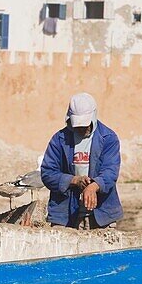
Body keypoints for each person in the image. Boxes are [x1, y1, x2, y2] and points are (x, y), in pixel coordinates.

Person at [40, 92, 122, 229]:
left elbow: (110, 172)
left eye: (85, 125)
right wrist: (74, 180)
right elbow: (48, 173)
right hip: (65, 213)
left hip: (102, 212)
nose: (81, 129)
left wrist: (94, 186)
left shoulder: (108, 138)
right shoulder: (59, 140)